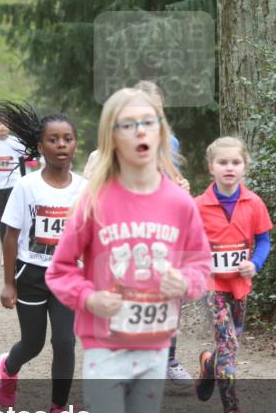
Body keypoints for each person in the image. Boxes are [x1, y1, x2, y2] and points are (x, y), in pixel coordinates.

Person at [45, 87, 211, 413]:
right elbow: (60, 271)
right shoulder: (96, 201)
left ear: (161, 132)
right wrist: (89, 298)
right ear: (112, 137)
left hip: (155, 344)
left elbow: (200, 264)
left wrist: (188, 283)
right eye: (128, 124)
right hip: (105, 342)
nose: (140, 131)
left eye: (149, 122)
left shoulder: (179, 203)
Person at [83, 80, 195, 390]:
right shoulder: (114, 142)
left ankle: (167, 357)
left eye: (155, 109)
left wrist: (181, 188)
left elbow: (171, 178)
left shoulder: (170, 142)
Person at [0, 101, 87, 413]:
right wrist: (8, 284)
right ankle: (8, 367)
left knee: (64, 342)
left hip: (68, 275)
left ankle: (58, 411)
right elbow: (11, 236)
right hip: (31, 273)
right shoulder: (26, 186)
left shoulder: (85, 187)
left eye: (68, 139)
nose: (61, 145)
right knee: (34, 343)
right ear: (40, 146)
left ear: (75, 144)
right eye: (54, 139)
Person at [194, 136, 273, 413]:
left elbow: (264, 239)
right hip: (211, 284)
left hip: (239, 284)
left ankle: (209, 365)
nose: (229, 167)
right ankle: (232, 411)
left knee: (231, 343)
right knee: (228, 343)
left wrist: (255, 263)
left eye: (235, 162)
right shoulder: (198, 206)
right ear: (211, 167)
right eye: (223, 162)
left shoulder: (253, 202)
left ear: (245, 167)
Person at [0, 116, 28, 263]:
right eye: (0, 124)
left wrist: (24, 184)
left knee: (17, 220)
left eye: (6, 124)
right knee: (3, 220)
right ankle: (6, 253)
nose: (3, 127)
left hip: (15, 186)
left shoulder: (17, 143)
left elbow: (22, 166)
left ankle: (18, 250)